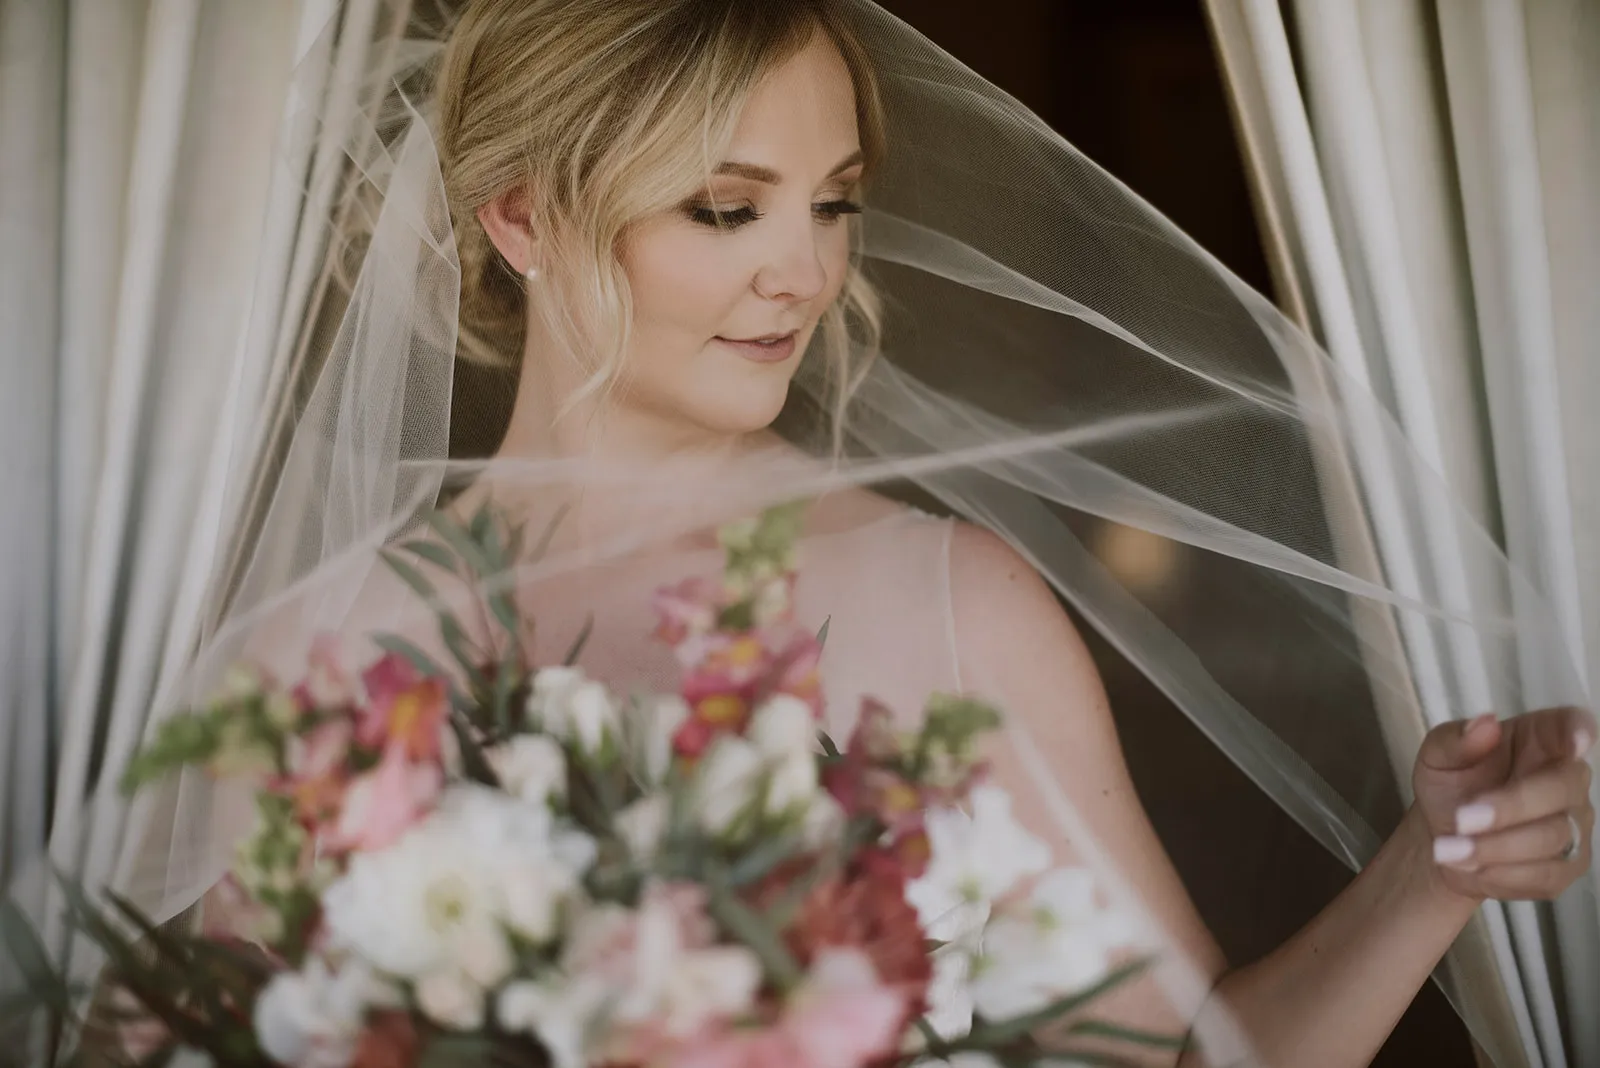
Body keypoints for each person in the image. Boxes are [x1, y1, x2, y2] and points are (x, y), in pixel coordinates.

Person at [112, 1, 1594, 1066]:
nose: (802, 275)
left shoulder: (944, 597)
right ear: (522, 217)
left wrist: (1435, 872)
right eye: (725, 210)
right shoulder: (318, 644)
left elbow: (1207, 1062)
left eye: (831, 206)